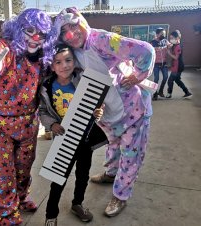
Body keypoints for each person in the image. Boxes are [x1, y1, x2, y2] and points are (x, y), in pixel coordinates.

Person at [54, 7, 155, 218]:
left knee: (130, 152)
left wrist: (139, 74)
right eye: (65, 31)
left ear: (82, 22)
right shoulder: (70, 51)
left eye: (73, 26)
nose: (71, 34)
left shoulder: (102, 39)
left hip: (132, 108)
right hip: (108, 111)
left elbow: (145, 50)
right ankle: (110, 174)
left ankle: (121, 195)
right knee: (114, 144)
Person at [0, 9, 56, 225]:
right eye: (29, 30)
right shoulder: (4, 47)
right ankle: (4, 211)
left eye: (42, 34)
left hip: (27, 119)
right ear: (18, 30)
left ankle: (18, 198)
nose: (36, 37)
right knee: (0, 168)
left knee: (24, 165)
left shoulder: (44, 56)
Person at [40, 43, 107, 225]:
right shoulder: (46, 86)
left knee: (83, 175)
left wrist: (97, 113)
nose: (65, 66)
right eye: (58, 62)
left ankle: (77, 203)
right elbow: (43, 111)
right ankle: (51, 215)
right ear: (51, 65)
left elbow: (96, 106)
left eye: (68, 60)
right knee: (58, 178)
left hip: (85, 138)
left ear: (74, 61)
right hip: (63, 139)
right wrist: (52, 124)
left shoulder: (84, 81)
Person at [166, 30, 192, 99]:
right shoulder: (176, 45)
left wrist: (169, 53)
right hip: (177, 66)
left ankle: (169, 94)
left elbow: (176, 57)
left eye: (172, 38)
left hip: (178, 66)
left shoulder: (178, 47)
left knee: (170, 80)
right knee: (177, 80)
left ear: (177, 38)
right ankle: (187, 92)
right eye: (170, 38)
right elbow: (171, 46)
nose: (171, 40)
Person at [150, 27, 170, 100]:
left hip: (163, 63)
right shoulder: (152, 42)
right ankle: (155, 94)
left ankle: (160, 91)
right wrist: (159, 48)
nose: (163, 35)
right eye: (162, 34)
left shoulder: (165, 41)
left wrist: (170, 45)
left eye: (164, 33)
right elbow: (151, 49)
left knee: (165, 77)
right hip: (156, 64)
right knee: (156, 79)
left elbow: (169, 45)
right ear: (157, 34)